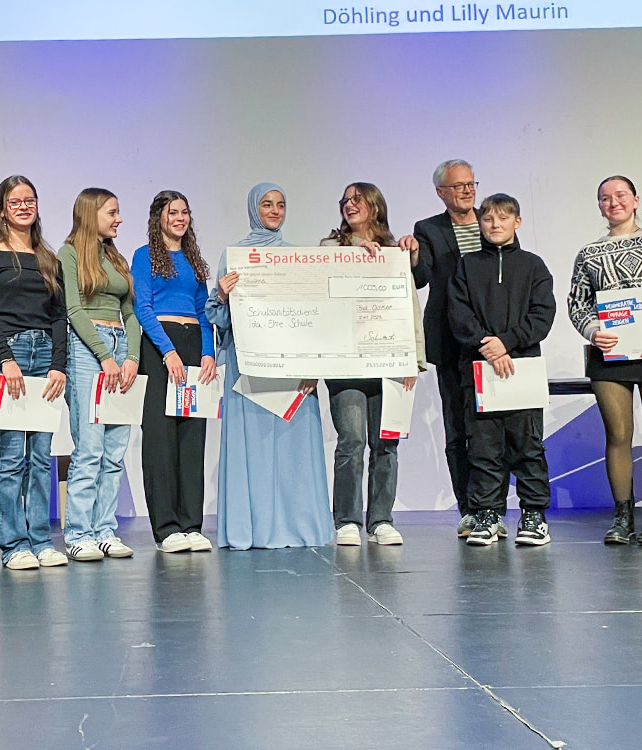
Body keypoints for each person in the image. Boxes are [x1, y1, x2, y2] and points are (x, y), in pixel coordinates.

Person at [208, 183, 331, 549]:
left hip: (293, 373)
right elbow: (220, 319)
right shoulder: (234, 257)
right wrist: (222, 295)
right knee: (255, 446)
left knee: (294, 448)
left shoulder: (298, 259)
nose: (275, 211)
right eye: (267, 204)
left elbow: (312, 318)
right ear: (253, 209)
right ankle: (253, 528)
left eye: (281, 204)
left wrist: (313, 367)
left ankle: (300, 526)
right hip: (248, 369)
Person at [566, 176, 642, 546]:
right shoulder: (588, 253)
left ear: (635, 199)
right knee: (618, 435)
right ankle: (622, 517)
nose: (613, 202)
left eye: (620, 195)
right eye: (605, 198)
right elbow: (576, 303)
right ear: (599, 205)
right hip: (611, 351)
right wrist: (591, 331)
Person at [319, 183, 426, 546]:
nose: (350, 205)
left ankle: (380, 519)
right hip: (346, 363)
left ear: (375, 206)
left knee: (387, 443)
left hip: (389, 362)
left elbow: (409, 305)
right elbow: (322, 294)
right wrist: (350, 254)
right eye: (345, 200)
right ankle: (346, 520)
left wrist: (413, 358)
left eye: (357, 199)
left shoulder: (395, 252)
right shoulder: (330, 248)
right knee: (350, 441)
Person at [448, 194, 556, 547]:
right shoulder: (466, 266)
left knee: (527, 446)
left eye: (503, 219)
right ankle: (488, 514)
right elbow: (459, 316)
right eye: (488, 219)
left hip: (521, 369)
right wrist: (487, 344)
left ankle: (534, 515)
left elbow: (542, 317)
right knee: (483, 448)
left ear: (517, 222)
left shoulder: (534, 266)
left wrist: (506, 343)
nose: (495, 225)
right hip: (478, 371)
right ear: (480, 224)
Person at [0, 176, 70, 570]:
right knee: (12, 456)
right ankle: (14, 545)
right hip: (9, 356)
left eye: (29, 200)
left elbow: (58, 316)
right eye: (14, 202)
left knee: (41, 456)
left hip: (45, 357)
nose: (23, 207)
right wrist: (5, 359)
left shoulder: (49, 258)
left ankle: (41, 540)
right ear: (2, 209)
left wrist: (59, 366)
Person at [412, 160, 508, 536]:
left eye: (471, 184)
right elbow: (420, 279)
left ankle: (494, 510)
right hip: (450, 340)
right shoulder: (429, 229)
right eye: (458, 186)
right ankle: (470, 510)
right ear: (441, 192)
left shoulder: (493, 221)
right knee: (457, 426)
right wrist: (415, 255)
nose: (467, 191)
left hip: (491, 339)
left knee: (492, 428)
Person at [132, 190, 217, 554]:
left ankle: (190, 524)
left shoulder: (195, 260)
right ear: (159, 218)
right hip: (159, 347)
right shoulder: (144, 255)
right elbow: (143, 307)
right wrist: (167, 350)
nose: (180, 218)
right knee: (160, 436)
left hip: (193, 343)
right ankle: (166, 527)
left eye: (185, 212)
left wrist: (208, 352)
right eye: (173, 212)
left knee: (192, 435)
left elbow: (203, 310)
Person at [60, 188, 142, 562]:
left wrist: (130, 358)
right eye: (112, 212)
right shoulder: (69, 253)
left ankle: (105, 529)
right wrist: (105, 356)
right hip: (87, 348)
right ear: (91, 213)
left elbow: (130, 311)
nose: (119, 219)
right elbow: (74, 310)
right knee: (90, 446)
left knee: (115, 448)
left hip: (120, 346)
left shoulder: (116, 257)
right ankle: (79, 533)